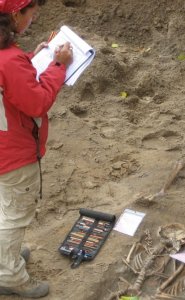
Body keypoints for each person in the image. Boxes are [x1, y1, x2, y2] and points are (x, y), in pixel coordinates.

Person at [0, 0, 73, 297]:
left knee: (5, 206)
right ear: (16, 14)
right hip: (14, 151)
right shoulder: (9, 60)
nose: (35, 16)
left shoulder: (9, 58)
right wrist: (57, 65)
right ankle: (9, 275)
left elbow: (10, 80)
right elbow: (36, 102)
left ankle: (6, 256)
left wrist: (32, 58)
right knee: (15, 214)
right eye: (32, 12)